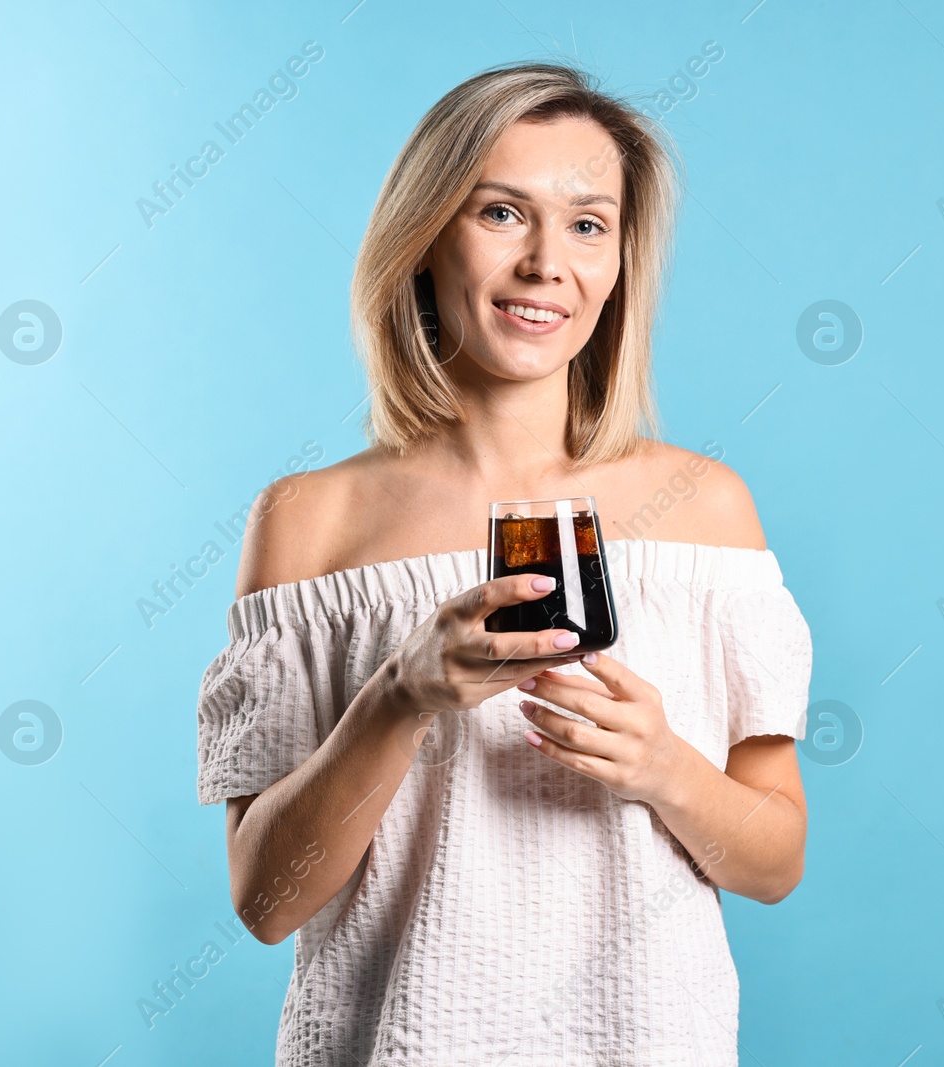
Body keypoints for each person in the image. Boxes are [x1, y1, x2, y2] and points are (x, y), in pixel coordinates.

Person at [196, 60, 814, 1066]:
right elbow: (267, 899)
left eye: (586, 223)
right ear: (427, 233)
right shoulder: (309, 518)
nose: (545, 263)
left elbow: (774, 859)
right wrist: (398, 694)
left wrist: (663, 766)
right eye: (499, 213)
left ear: (621, 259)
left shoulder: (704, 509)